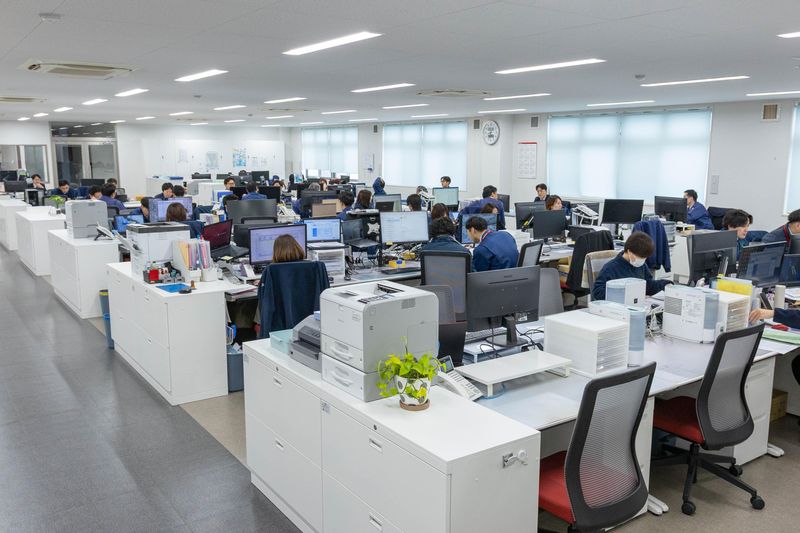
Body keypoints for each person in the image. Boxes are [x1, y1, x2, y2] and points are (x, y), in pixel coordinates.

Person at [591, 232, 672, 301]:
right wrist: (624, 292)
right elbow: (597, 293)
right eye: (640, 257)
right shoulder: (610, 268)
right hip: (617, 308)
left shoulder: (641, 266)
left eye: (644, 257)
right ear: (629, 252)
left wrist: (665, 285)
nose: (642, 260)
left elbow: (648, 285)